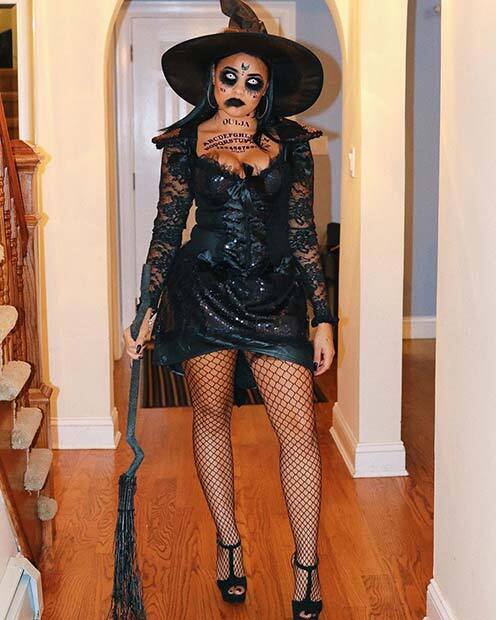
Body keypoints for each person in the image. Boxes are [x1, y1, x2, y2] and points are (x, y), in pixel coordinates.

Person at [124, 1, 338, 618]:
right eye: (229, 77)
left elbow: (302, 232)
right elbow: (167, 229)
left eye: (254, 82)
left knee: (298, 430)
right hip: (205, 293)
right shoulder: (183, 142)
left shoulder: (291, 143)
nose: (240, 89)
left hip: (276, 296)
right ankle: (227, 545)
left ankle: (306, 566)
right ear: (211, 79)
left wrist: (322, 315)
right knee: (211, 417)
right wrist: (146, 307)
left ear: (267, 90)